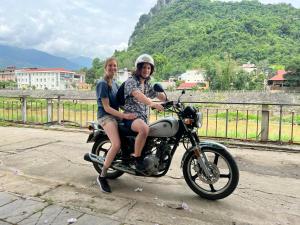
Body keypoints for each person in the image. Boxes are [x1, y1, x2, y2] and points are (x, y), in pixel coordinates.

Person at [96, 57, 136, 193]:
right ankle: (102, 176)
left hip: (116, 115)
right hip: (106, 117)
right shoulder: (102, 84)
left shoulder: (115, 84)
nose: (113, 68)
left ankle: (127, 160)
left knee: (132, 132)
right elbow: (106, 108)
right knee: (116, 144)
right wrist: (124, 115)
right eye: (110, 65)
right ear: (105, 67)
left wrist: (134, 109)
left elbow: (120, 102)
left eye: (115, 66)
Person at [123, 54, 166, 171]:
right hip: (131, 117)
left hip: (143, 118)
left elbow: (158, 94)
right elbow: (138, 95)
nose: (146, 70)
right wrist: (152, 104)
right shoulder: (131, 81)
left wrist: (167, 99)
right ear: (138, 68)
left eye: (148, 68)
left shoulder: (147, 84)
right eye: (143, 67)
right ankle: (137, 160)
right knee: (144, 129)